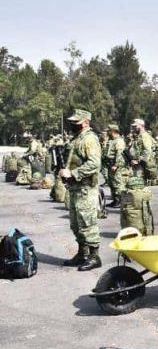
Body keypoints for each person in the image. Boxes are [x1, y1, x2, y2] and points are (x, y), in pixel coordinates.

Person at [59, 109, 102, 271]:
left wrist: (74, 173)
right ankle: (82, 254)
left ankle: (94, 256)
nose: (72, 125)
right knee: (76, 224)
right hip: (75, 187)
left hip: (86, 189)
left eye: (75, 122)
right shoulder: (77, 138)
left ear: (85, 122)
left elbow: (94, 164)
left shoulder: (90, 139)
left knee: (87, 223)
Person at [105, 124, 130, 208]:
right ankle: (115, 200)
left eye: (108, 131)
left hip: (117, 166)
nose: (107, 132)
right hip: (110, 164)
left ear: (112, 131)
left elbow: (119, 153)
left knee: (118, 183)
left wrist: (116, 165)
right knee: (112, 183)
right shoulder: (112, 140)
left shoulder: (119, 141)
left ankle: (120, 201)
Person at [130, 119, 157, 186]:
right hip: (136, 164)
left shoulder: (144, 136)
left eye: (135, 126)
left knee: (139, 184)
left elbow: (147, 151)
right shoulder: (138, 136)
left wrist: (138, 161)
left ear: (141, 126)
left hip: (141, 165)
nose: (134, 128)